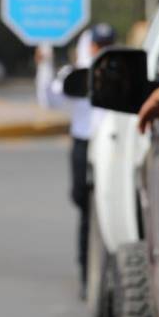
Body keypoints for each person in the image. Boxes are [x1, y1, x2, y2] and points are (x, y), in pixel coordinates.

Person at [35, 22, 117, 294]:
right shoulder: (75, 76)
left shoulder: (120, 73)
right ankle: (87, 273)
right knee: (84, 205)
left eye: (106, 45)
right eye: (97, 45)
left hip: (112, 145)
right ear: (89, 45)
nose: (101, 50)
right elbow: (50, 100)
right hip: (84, 143)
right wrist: (43, 67)